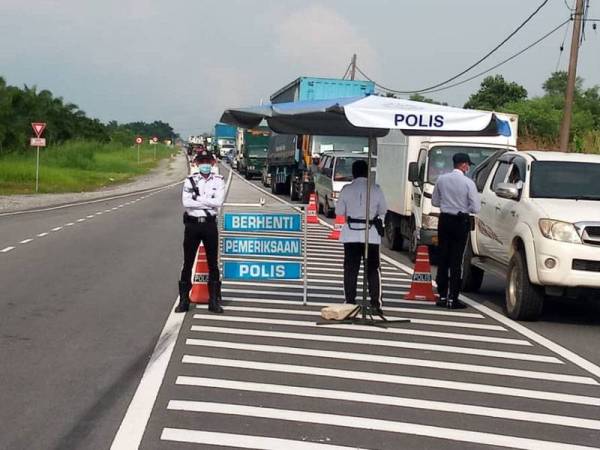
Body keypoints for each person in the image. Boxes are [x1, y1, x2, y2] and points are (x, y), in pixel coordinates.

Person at [175, 148, 225, 313]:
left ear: (212, 163)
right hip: (192, 225)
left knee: (213, 264)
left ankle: (214, 300)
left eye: (207, 162)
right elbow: (186, 203)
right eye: (201, 162)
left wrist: (197, 198)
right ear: (196, 164)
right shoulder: (190, 181)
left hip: (210, 225)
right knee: (187, 262)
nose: (205, 165)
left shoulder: (218, 180)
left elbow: (218, 202)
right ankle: (184, 300)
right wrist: (207, 202)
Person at [335, 159, 387, 314]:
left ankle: (350, 301)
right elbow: (383, 209)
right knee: (373, 269)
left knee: (351, 269)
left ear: (353, 173)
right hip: (370, 234)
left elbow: (338, 212)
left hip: (350, 234)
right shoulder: (376, 189)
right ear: (367, 172)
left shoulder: (346, 189)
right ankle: (375, 304)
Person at [432, 152, 481, 309]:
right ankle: (453, 298)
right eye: (467, 165)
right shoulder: (468, 183)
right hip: (461, 221)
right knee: (457, 261)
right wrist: (463, 207)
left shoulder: (441, 179)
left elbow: (435, 201)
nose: (468, 167)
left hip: (444, 220)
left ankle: (442, 295)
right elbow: (476, 207)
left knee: (443, 258)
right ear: (464, 165)